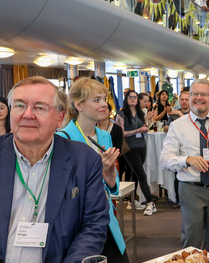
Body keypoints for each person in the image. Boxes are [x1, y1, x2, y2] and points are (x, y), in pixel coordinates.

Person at [0, 76, 109, 262]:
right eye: (19, 105)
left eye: (39, 107)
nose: (27, 114)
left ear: (60, 118)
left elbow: (94, 224)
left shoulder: (83, 160)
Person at [56, 77, 128, 262]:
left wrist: (108, 172)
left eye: (104, 99)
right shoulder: (63, 139)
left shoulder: (104, 136)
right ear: (79, 105)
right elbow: (62, 188)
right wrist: (99, 171)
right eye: (96, 100)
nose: (104, 104)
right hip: (79, 225)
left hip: (107, 219)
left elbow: (113, 186)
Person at [161, 80, 209, 251]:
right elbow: (165, 159)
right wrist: (187, 160)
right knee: (191, 240)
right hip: (190, 188)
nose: (198, 98)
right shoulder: (177, 125)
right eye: (195, 94)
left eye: (204, 94)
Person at [115, 91, 155, 216]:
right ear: (126, 99)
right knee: (141, 174)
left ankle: (132, 201)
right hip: (129, 148)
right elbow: (121, 133)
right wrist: (138, 130)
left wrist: (145, 125)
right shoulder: (121, 114)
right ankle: (150, 203)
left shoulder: (139, 113)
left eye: (135, 97)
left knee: (135, 174)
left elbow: (144, 128)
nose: (133, 99)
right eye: (130, 97)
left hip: (141, 145)